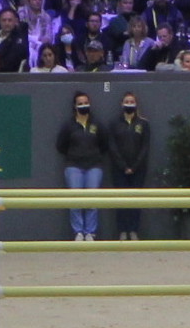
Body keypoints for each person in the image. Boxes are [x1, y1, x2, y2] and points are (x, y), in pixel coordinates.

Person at [55, 92, 106, 243]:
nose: (83, 105)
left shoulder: (97, 124)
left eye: (85, 102)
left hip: (94, 166)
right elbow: (60, 145)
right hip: (74, 166)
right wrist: (74, 155)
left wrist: (93, 155)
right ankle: (78, 232)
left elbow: (104, 144)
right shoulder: (68, 125)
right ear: (75, 106)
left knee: (92, 200)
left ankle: (90, 232)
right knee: (75, 200)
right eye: (80, 103)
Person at [108, 92, 152, 241]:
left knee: (136, 200)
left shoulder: (143, 123)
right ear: (122, 104)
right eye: (126, 101)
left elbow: (145, 147)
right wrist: (123, 166)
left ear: (136, 103)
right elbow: (112, 147)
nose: (129, 103)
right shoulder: (114, 123)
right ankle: (122, 231)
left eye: (132, 101)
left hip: (138, 168)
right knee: (121, 200)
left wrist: (134, 166)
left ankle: (133, 230)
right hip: (119, 168)